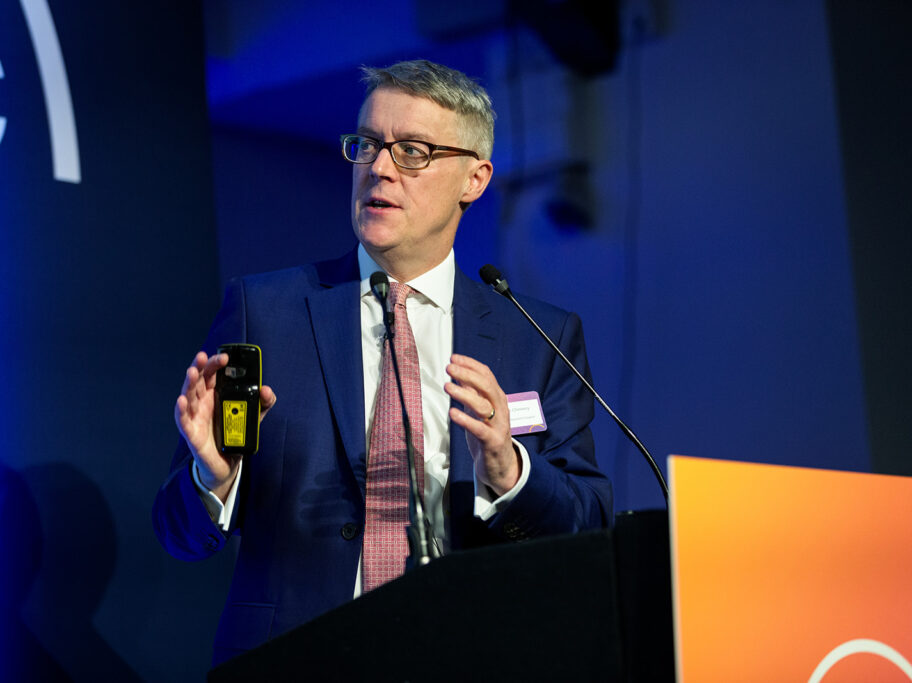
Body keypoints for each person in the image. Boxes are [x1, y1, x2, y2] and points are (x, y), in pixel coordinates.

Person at [152, 59, 613, 666]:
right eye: (367, 144)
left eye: (414, 151)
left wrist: (508, 468)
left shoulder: (538, 337)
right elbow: (179, 535)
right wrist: (213, 479)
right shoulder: (265, 312)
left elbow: (589, 528)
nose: (380, 168)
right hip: (295, 661)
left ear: (474, 180)